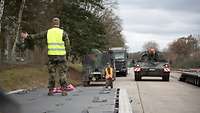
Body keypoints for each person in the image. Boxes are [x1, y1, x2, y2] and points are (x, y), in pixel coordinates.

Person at [21, 17, 70, 96]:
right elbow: (68, 45)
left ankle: (51, 91)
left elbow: (38, 36)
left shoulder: (48, 32)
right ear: (59, 24)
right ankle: (64, 90)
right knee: (62, 73)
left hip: (52, 56)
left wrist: (28, 36)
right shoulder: (63, 33)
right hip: (61, 56)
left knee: (52, 73)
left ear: (52, 24)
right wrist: (67, 55)